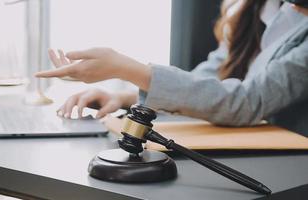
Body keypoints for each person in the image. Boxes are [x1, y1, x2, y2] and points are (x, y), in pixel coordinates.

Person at [36, 1, 308, 136]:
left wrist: (123, 67)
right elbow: (202, 81)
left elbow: (245, 101)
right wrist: (126, 97)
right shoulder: (256, 9)